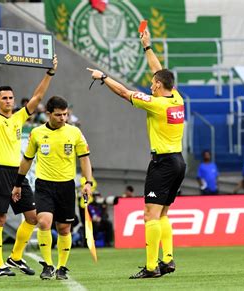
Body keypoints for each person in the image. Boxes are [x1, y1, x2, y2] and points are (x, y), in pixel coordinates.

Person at [86, 27, 186, 279]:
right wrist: (147, 47)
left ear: (160, 86)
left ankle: (152, 267)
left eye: (153, 83)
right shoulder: (177, 99)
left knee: (149, 215)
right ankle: (168, 259)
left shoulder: (157, 104)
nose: (151, 84)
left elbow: (123, 92)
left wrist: (103, 77)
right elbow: (158, 69)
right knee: (163, 213)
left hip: (162, 163)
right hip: (178, 162)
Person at [0, 49, 58, 276]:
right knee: (0, 218)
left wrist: (50, 73)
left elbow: (37, 98)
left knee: (32, 217)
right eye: (3, 98)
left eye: (10, 98)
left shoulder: (18, 117)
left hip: (18, 175)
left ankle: (15, 257)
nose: (8, 101)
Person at [11, 96, 93, 280]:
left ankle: (62, 267)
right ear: (48, 114)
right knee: (44, 222)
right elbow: (27, 160)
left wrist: (88, 182)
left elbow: (85, 158)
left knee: (64, 229)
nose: (63, 118)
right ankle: (47, 265)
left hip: (66, 186)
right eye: (58, 115)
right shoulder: (37, 133)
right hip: (44, 185)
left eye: (65, 114)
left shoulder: (75, 133)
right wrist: (18, 184)